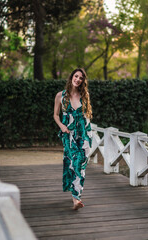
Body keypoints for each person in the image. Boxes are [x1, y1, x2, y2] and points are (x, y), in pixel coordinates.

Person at [53, 68, 92, 210]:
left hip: (85, 136)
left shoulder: (84, 95)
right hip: (69, 136)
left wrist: (87, 133)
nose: (78, 79)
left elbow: (86, 116)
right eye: (76, 76)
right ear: (71, 77)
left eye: (81, 78)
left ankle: (76, 197)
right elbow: (55, 115)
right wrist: (62, 126)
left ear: (83, 81)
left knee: (81, 165)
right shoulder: (60, 96)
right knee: (72, 164)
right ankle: (76, 198)